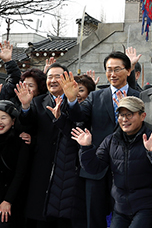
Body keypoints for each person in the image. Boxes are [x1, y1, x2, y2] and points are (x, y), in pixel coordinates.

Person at [71, 97, 152, 228]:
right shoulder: (111, 140)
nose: (124, 119)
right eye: (121, 115)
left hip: (146, 207)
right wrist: (86, 148)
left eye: (129, 114)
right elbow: (95, 168)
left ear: (143, 116)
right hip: (120, 208)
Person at [67, 51, 141, 228]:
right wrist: (71, 100)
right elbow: (79, 116)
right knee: (94, 217)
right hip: (97, 168)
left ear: (128, 71)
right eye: (109, 70)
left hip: (128, 169)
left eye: (117, 69)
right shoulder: (96, 96)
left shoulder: (139, 96)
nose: (112, 74)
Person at [17, 63, 87, 227]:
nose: (53, 80)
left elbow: (80, 120)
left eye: (58, 77)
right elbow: (27, 125)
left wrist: (71, 100)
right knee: (40, 215)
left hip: (67, 168)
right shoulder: (38, 101)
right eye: (50, 77)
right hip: (41, 165)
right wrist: (26, 106)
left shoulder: (76, 101)